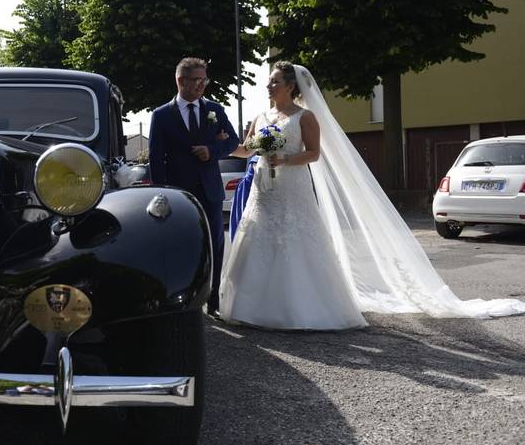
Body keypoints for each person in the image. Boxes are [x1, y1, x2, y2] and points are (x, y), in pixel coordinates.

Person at [220, 62, 525, 330]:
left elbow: (313, 154)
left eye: (274, 81)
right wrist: (220, 146)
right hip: (264, 189)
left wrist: (285, 160)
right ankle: (252, 308)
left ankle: (302, 308)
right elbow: (247, 149)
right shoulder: (260, 117)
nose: (268, 85)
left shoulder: (305, 117)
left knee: (295, 240)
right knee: (258, 238)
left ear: (289, 85)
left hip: (291, 186)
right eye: (269, 81)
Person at [148, 57, 239, 316]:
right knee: (181, 244)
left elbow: (232, 141)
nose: (201, 85)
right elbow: (156, 158)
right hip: (179, 192)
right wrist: (162, 193)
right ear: (181, 81)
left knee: (215, 244)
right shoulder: (162, 115)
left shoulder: (214, 109)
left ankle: (213, 300)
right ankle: (183, 299)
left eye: (204, 80)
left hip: (209, 190)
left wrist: (211, 150)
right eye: (196, 80)